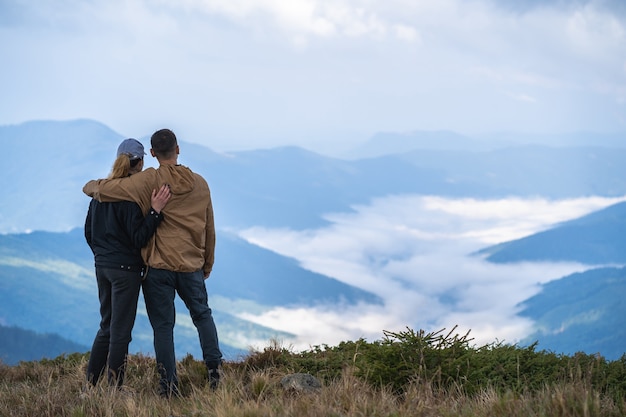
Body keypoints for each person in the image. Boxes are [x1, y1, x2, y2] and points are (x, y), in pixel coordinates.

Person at [83, 128, 222, 397]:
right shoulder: (202, 184)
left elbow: (107, 189)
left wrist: (89, 186)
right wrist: (207, 263)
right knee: (203, 316)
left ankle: (167, 387)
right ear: (178, 149)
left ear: (154, 153)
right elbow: (209, 228)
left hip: (158, 268)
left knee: (162, 327)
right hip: (191, 264)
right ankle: (215, 371)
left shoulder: (149, 180)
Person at [85, 138, 171, 389]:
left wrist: (102, 256)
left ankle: (89, 386)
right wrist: (155, 211)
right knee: (121, 332)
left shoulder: (99, 194)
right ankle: (115, 390)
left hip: (103, 267)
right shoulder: (131, 198)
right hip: (126, 271)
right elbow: (138, 239)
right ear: (141, 162)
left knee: (106, 327)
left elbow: (89, 233)